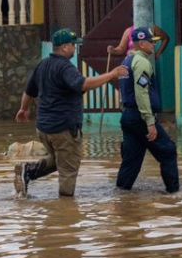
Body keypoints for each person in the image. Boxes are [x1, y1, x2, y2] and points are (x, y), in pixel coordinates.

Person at [14, 29, 128, 198]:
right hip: (63, 129)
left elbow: (29, 91)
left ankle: (27, 171)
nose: (75, 49)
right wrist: (111, 74)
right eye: (73, 45)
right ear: (65, 47)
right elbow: (83, 84)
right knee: (68, 170)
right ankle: (65, 213)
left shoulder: (43, 64)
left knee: (59, 160)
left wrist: (24, 109)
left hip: (44, 129)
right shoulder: (65, 67)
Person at [115, 27, 179, 193]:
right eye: (151, 42)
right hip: (140, 117)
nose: (153, 45)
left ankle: (121, 196)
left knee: (132, 160)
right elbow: (141, 93)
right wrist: (150, 121)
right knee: (168, 151)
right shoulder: (142, 62)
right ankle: (173, 196)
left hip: (128, 116)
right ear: (142, 44)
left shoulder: (127, 61)